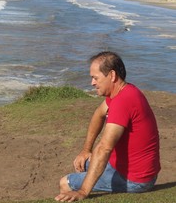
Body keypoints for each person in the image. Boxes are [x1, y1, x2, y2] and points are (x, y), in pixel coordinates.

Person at [55, 51, 160, 202]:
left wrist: (83, 191)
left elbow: (105, 148)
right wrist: (86, 150)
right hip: (123, 166)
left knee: (65, 183)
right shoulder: (121, 92)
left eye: (95, 78)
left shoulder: (123, 101)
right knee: (83, 163)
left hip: (136, 179)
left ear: (112, 75)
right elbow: (99, 114)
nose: (92, 83)